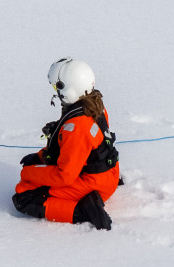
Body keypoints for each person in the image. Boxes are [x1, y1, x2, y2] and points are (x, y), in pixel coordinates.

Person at [13, 58, 119, 231]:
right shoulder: (94, 104)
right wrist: (41, 156)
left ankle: (84, 211)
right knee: (33, 177)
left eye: (56, 87)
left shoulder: (76, 127)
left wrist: (29, 172)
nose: (55, 91)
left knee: (24, 195)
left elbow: (64, 176)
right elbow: (82, 145)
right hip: (109, 173)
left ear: (68, 89)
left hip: (95, 183)